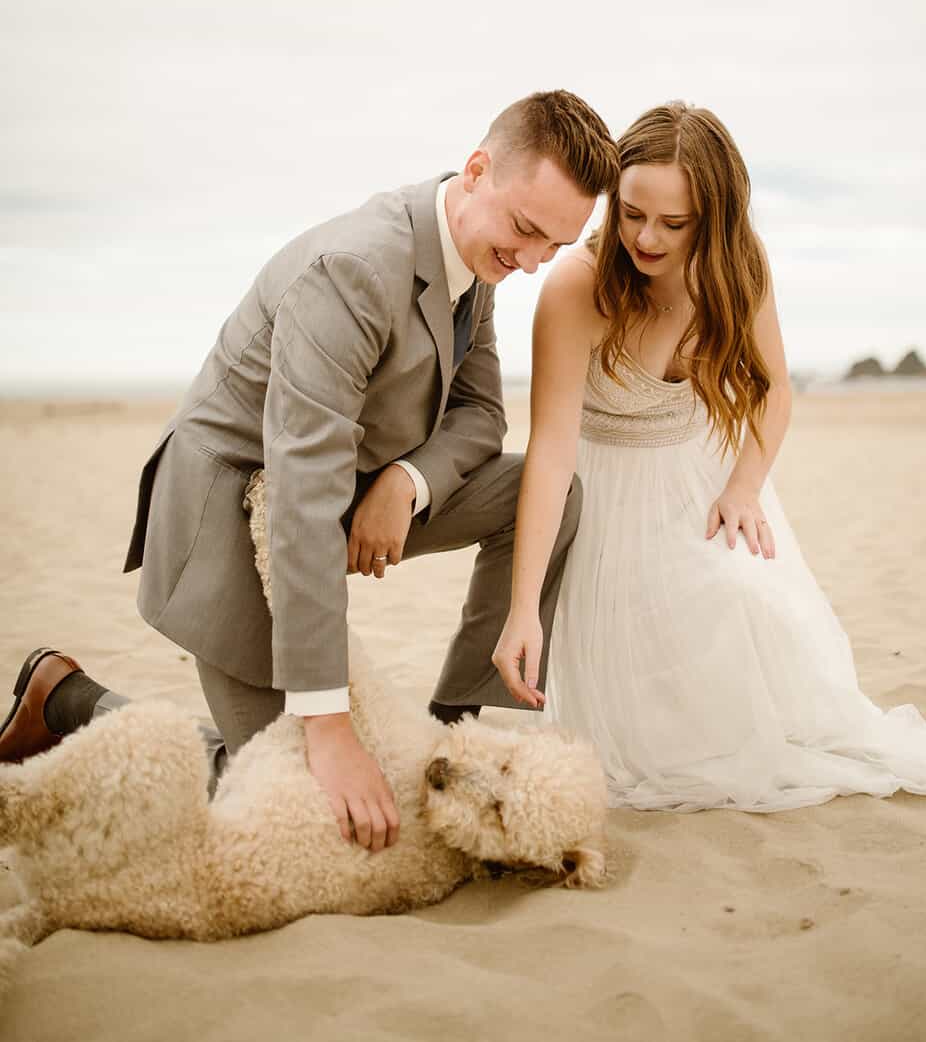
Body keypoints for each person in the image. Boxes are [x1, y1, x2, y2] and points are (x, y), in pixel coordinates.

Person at [0, 90, 619, 848]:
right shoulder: (355, 269)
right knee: (298, 802)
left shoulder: (477, 259)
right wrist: (327, 727)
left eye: (554, 247)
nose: (529, 265)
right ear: (478, 170)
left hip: (351, 495)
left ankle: (449, 727)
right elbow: (299, 487)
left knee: (546, 494)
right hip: (231, 512)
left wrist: (407, 483)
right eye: (526, 230)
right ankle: (66, 700)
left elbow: (482, 417)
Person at [491, 102, 926, 812]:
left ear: (712, 219)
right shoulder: (575, 287)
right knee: (643, 740)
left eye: (673, 224)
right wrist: (525, 607)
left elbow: (773, 393)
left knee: (746, 606)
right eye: (631, 213)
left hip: (703, 484)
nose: (646, 237)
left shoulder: (739, 269)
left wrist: (745, 486)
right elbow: (551, 453)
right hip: (607, 503)